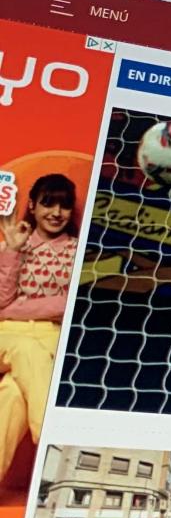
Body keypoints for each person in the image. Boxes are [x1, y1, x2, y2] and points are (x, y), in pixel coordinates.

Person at [0, 174, 79, 480]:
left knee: (11, 397)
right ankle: (50, 439)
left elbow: (68, 303)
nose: (56, 212)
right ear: (32, 205)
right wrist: (12, 252)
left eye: (64, 205)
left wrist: (13, 309)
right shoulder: (13, 244)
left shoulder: (77, 250)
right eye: (48, 203)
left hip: (50, 337)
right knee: (25, 348)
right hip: (6, 335)